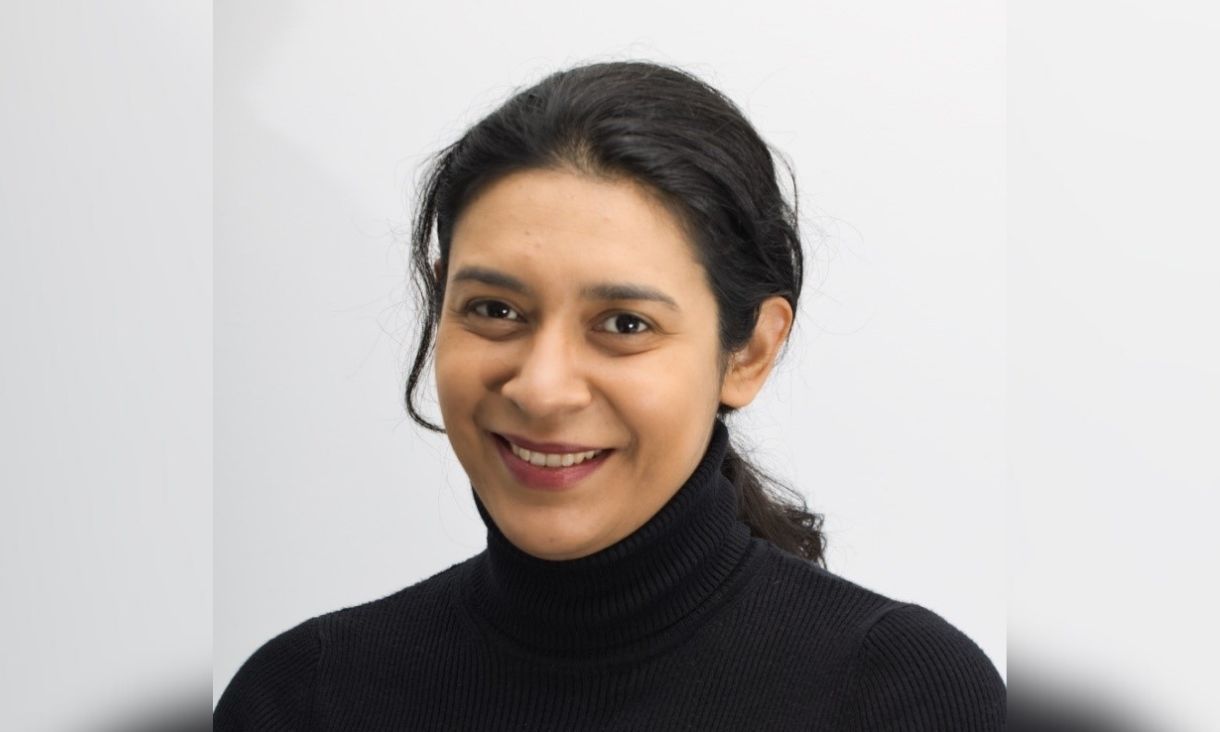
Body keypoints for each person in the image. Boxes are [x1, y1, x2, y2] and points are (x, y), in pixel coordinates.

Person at [214, 61, 1006, 730]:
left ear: (751, 351)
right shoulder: (304, 697)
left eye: (624, 323)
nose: (543, 388)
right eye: (495, 311)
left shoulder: (899, 695)